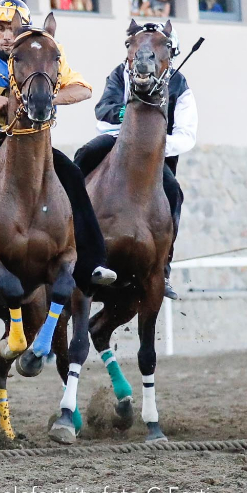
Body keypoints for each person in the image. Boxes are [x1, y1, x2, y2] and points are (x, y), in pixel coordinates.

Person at [0, 0, 116, 306]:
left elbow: (82, 88)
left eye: (10, 30)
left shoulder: (39, 51)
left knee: (73, 178)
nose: (5, 36)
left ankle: (92, 262)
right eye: (0, 29)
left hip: (29, 144)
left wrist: (47, 99)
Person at [73, 23, 197, 300]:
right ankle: (67, 234)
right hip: (115, 142)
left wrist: (150, 146)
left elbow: (186, 135)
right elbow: (102, 109)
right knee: (82, 156)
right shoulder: (120, 73)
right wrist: (128, 121)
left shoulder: (180, 84)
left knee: (173, 191)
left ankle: (163, 265)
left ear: (168, 54)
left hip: (156, 157)